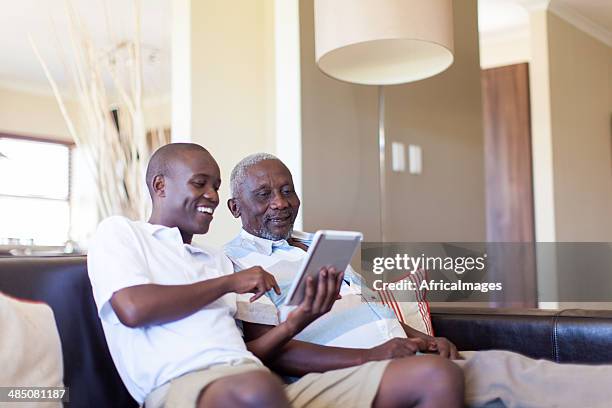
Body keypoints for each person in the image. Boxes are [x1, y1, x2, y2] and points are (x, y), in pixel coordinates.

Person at [87, 143, 464, 408]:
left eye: (216, 185)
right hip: (185, 387)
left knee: (436, 376)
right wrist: (230, 282)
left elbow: (248, 353)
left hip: (253, 377)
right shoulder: (122, 233)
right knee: (256, 390)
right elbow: (132, 308)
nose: (212, 196)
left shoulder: (213, 258)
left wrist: (297, 321)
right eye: (200, 183)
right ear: (159, 186)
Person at [224, 152, 612, 408]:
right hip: (348, 372)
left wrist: (420, 338)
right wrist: (374, 355)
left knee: (503, 365)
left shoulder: (318, 244)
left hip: (400, 356)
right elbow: (272, 349)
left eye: (287, 190)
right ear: (235, 207)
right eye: (264, 195)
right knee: (499, 375)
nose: (280, 202)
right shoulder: (238, 262)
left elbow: (373, 309)